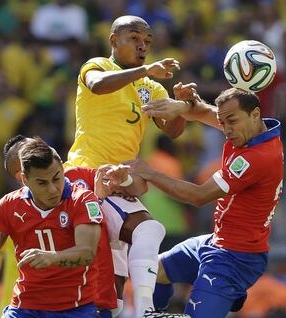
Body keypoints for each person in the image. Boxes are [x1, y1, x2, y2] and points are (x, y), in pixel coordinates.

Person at [65, 15, 189, 318]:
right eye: (134, 38)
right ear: (113, 41)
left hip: (120, 179)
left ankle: (127, 310)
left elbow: (173, 130)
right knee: (147, 229)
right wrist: (144, 70)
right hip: (86, 174)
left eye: (147, 41)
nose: (142, 45)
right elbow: (97, 86)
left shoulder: (151, 88)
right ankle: (145, 309)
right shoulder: (97, 66)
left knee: (119, 264)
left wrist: (182, 105)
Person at [129, 87, 284, 318]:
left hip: (236, 258)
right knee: (151, 271)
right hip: (216, 243)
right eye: (223, 123)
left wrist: (149, 173)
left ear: (255, 114)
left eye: (231, 122)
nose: (226, 129)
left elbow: (198, 196)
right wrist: (184, 104)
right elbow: (202, 112)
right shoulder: (255, 129)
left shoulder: (256, 158)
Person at [0, 137, 109, 317]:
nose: (53, 189)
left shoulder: (82, 200)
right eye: (42, 183)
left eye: (57, 178)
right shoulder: (8, 206)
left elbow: (87, 253)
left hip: (75, 308)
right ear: (24, 180)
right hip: (25, 308)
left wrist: (53, 258)